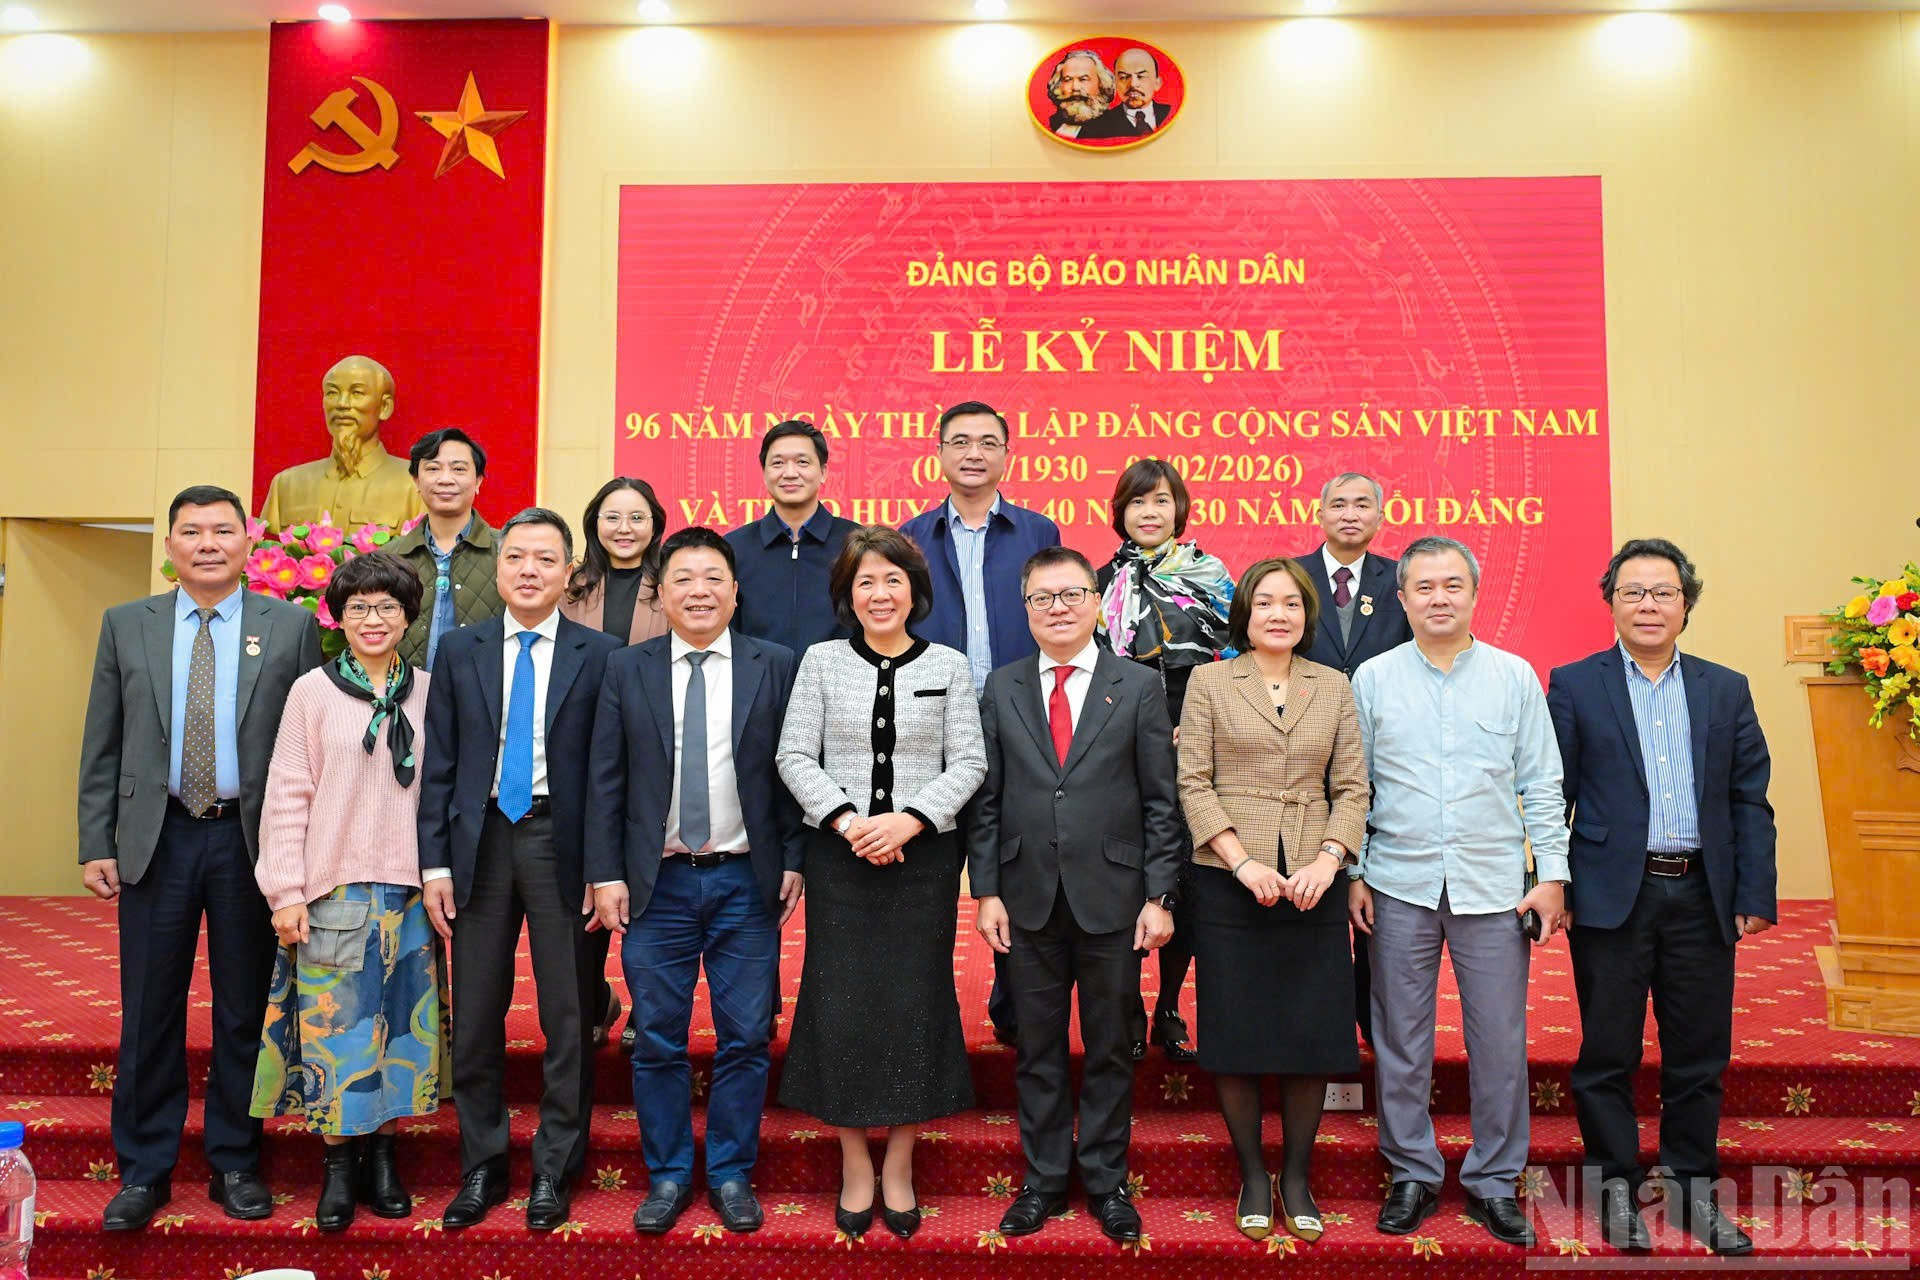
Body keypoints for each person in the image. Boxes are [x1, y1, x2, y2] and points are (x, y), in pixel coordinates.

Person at [78, 484, 324, 1231]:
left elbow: (307, 742)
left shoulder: (291, 627)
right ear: (171, 547)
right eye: (192, 531)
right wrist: (96, 840)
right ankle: (145, 1170)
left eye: (223, 530)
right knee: (149, 1010)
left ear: (250, 543)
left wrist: (302, 855)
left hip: (249, 840)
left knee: (244, 1009)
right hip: (159, 837)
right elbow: (103, 738)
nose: (208, 543)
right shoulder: (127, 624)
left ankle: (235, 1162)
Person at [1547, 539, 1776, 1257]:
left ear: (1686, 604)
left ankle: (1691, 1190)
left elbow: (1749, 799)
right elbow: (1554, 795)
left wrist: (1754, 890)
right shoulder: (1576, 684)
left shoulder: (1725, 687)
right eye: (1633, 592)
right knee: (1607, 1053)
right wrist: (1553, 880)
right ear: (1610, 602)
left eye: (1663, 593)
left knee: (1700, 1054)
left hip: (1702, 894)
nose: (1649, 605)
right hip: (1613, 896)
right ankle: (1614, 1189)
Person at [1349, 535, 1570, 1248]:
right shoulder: (1374, 678)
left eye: (1453, 585)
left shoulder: (1513, 676)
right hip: (1397, 883)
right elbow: (1355, 787)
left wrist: (1551, 879)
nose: (1439, 598)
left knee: (1499, 1042)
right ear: (1404, 598)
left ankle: (1495, 1181)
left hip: (1494, 887)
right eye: (1424, 587)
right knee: (1402, 1040)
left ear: (1475, 595)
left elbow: (1542, 786)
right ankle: (1411, 1171)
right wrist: (1354, 871)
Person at [585, 528, 805, 1236]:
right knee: (658, 1038)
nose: (700, 591)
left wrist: (794, 857)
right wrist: (606, 873)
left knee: (744, 1035)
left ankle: (733, 1172)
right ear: (662, 592)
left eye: (714, 577)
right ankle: (671, 1172)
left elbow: (794, 771)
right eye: (683, 578)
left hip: (747, 880)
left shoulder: (775, 665)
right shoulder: (628, 668)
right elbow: (604, 780)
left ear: (736, 591)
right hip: (658, 884)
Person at [775, 526, 986, 1241]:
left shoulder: (950, 665)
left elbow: (969, 763)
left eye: (893, 580)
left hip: (922, 860)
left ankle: (898, 1160)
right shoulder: (822, 661)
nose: (880, 593)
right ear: (848, 593)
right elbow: (796, 753)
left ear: (914, 591)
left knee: (913, 1000)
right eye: (866, 581)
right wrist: (849, 822)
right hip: (840, 856)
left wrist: (909, 822)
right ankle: (853, 1161)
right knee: (841, 999)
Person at [969, 547, 1183, 1246]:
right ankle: (1043, 1180)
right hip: (1026, 896)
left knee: (1111, 1046)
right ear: (1025, 608)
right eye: (1042, 598)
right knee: (1036, 1048)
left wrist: (1160, 895)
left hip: (1115, 897)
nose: (1057, 608)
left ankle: (1106, 1180)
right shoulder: (1001, 687)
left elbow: (1161, 800)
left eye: (1071, 594)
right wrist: (987, 891)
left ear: (1096, 601)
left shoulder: (1139, 685)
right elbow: (989, 802)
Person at [416, 508, 623, 1233]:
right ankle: (484, 1164)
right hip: (478, 846)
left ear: (570, 573)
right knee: (474, 1015)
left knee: (568, 1017)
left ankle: (555, 1169)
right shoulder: (459, 650)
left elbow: (607, 775)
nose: (529, 570)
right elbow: (438, 766)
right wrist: (434, 862)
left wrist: (605, 868)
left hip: (559, 840)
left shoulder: (602, 655)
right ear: (497, 570)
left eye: (545, 558)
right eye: (516, 558)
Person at [250, 550, 444, 1232]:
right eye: (359, 606)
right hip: (332, 891)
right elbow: (286, 796)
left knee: (401, 1037)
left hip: (412, 894)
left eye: (387, 606)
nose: (373, 618)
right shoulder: (312, 691)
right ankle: (339, 1168)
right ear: (338, 616)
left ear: (407, 617)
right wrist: (285, 891)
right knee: (338, 1041)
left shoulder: (427, 690)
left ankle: (384, 1158)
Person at [1177, 557, 1368, 1243]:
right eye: (1265, 604)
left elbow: (1352, 789)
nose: (1279, 614)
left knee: (1311, 1032)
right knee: (1237, 1028)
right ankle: (1253, 1172)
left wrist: (1331, 858)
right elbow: (1193, 782)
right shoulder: (1208, 680)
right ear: (1245, 615)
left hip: (1314, 876)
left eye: (1291, 603)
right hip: (1231, 875)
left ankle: (1297, 1174)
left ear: (1306, 615)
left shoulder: (1335, 686)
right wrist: (1241, 861)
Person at [900, 400, 1060, 1044]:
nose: (973, 452)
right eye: (960, 441)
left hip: (1018, 714)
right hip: (931, 719)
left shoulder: (1037, 532)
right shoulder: (911, 534)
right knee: (933, 863)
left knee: (1017, 858)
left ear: (1007, 455)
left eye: (988, 442)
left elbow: (1059, 617)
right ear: (938, 453)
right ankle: (925, 1012)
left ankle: (1014, 1003)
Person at [1095, 458, 1233, 1063]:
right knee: (1127, 875)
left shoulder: (1212, 574)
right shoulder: (1097, 580)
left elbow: (1231, 658)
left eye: (1160, 502)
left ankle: (1170, 1006)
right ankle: (1126, 1005)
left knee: (1187, 876)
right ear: (1120, 512)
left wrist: (1195, 728)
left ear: (1179, 508)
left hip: (1197, 731)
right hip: (1123, 733)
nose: (1149, 513)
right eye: (1136, 503)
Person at [1294, 470, 1411, 1047]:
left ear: (1380, 517)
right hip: (1302, 758)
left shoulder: (1403, 581)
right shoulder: (1293, 578)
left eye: (1362, 504)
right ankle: (1317, 1021)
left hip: (1385, 760)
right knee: (1309, 893)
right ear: (1320, 513)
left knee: (1376, 900)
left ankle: (1372, 1018)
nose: (1349, 513)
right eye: (1338, 504)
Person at [562, 476, 673, 1053]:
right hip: (576, 752)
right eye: (612, 517)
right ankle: (592, 999)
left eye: (636, 517)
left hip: (651, 752)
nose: (624, 529)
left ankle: (643, 1005)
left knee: (643, 890)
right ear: (594, 523)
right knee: (581, 890)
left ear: (655, 523)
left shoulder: (674, 585)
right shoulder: (570, 587)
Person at [726, 420, 858, 655]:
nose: (790, 473)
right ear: (765, 473)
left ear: (823, 472)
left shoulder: (856, 543)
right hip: (760, 686)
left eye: (802, 462)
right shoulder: (733, 548)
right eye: (777, 463)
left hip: (840, 685)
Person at [259, 354, 426, 531]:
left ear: (384, 407)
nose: (342, 404)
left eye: (357, 393)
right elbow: (260, 554)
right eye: (332, 393)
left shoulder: (415, 485)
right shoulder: (286, 485)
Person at [384, 428, 501, 670]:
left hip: (481, 698)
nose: (445, 479)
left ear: (478, 481)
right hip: (404, 698)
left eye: (458, 469)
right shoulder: (388, 559)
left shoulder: (508, 553)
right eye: (433, 468)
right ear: (416, 480)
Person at [1078, 48, 1172, 139]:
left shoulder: (1172, 115)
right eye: (1124, 77)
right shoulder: (1094, 127)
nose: (1133, 84)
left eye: (1141, 76)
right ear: (1115, 83)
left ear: (1157, 83)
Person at [1043, 48, 1114, 139]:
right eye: (1068, 80)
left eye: (1083, 79)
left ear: (1101, 84)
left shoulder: (1114, 126)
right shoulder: (1052, 123)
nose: (1075, 87)